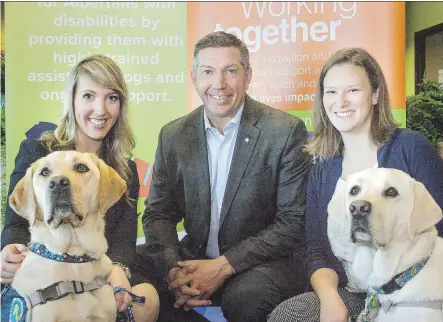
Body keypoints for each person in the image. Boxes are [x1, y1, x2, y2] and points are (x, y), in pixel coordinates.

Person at [136, 31, 312, 322]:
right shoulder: (174, 135)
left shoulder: (283, 131)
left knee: (244, 298)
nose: (219, 84)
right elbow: (158, 213)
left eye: (230, 71)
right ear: (194, 77)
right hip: (196, 257)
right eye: (208, 72)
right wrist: (174, 272)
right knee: (134, 268)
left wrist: (223, 266)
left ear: (248, 76)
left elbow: (292, 223)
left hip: (260, 263)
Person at [268, 47, 443, 322]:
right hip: (353, 291)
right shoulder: (323, 169)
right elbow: (314, 248)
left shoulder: (410, 148)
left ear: (375, 94)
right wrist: (330, 300)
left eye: (352, 90)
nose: (341, 101)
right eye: (331, 91)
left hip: (416, 291)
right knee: (288, 316)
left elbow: (438, 230)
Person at [1, 54, 160, 322]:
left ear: (121, 106)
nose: (100, 110)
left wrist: (118, 270)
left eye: (111, 97)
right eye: (88, 96)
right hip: (44, 268)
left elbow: (123, 240)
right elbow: (16, 223)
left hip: (99, 269)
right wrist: (8, 252)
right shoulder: (38, 152)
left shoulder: (123, 169)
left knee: (148, 297)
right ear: (72, 99)